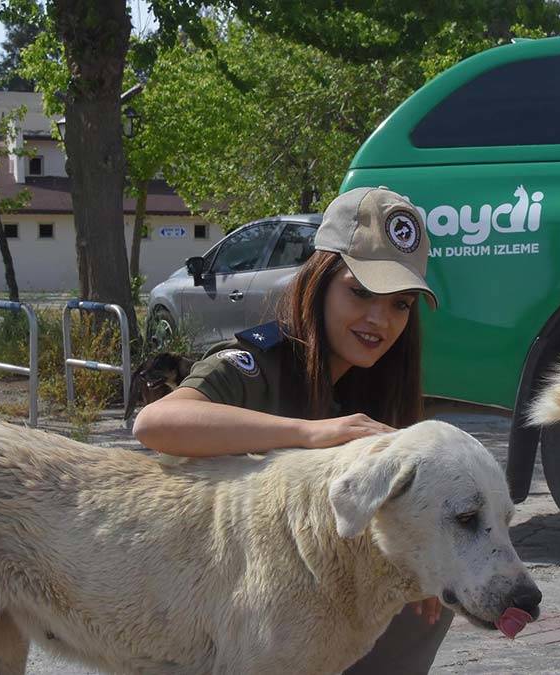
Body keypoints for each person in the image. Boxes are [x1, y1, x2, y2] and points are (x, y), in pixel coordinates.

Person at [133, 186, 452, 673]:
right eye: (360, 292)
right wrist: (309, 433)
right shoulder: (258, 364)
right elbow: (156, 424)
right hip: (212, 602)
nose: (379, 319)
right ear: (318, 281)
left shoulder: (380, 388)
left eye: (400, 305)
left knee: (433, 598)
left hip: (310, 601)